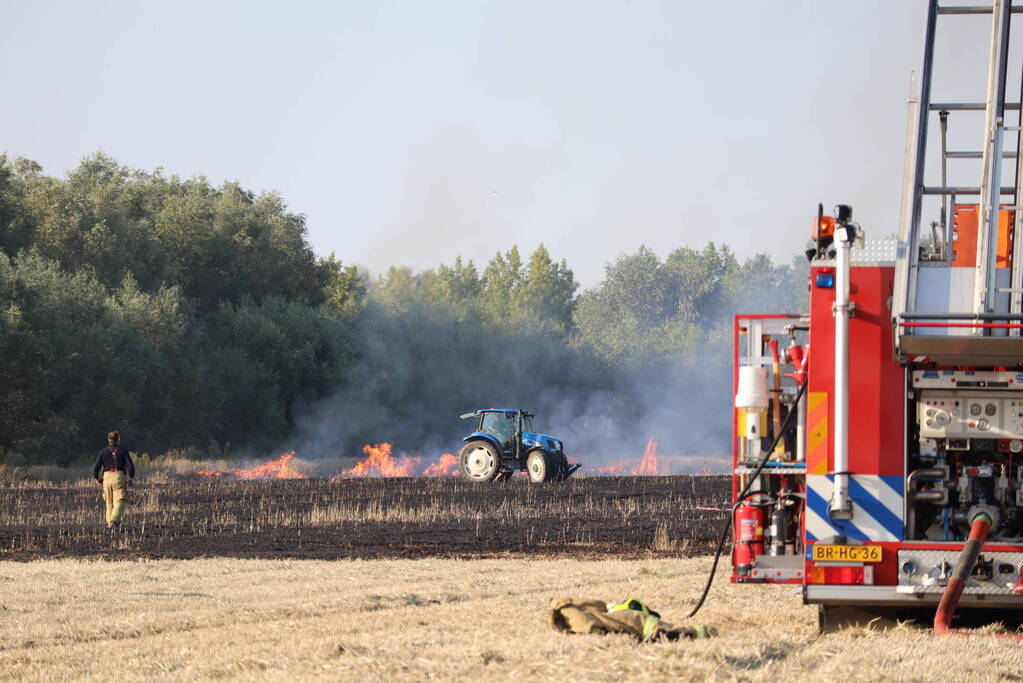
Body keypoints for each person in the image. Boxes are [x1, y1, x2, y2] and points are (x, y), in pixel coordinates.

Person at [92, 431, 135, 531]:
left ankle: (109, 526)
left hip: (106, 478)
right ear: (118, 439)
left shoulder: (102, 452)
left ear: (108, 440)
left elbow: (96, 468)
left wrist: (97, 478)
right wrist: (131, 477)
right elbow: (131, 467)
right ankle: (114, 520)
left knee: (109, 503)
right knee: (120, 501)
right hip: (119, 477)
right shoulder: (123, 451)